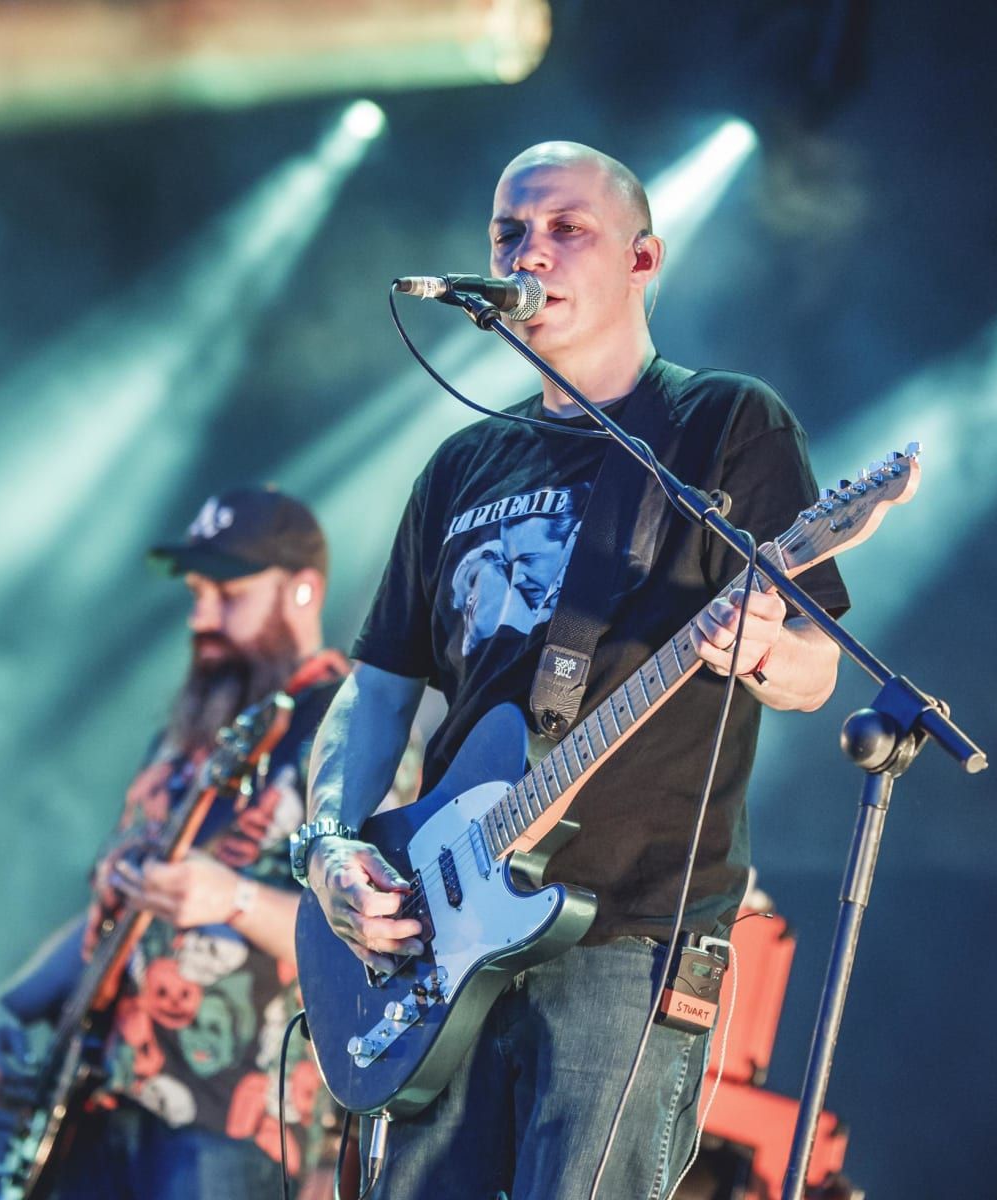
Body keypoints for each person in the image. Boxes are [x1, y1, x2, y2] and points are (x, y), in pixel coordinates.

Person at [299, 141, 851, 1199]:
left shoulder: (724, 424)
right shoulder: (462, 463)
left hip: (630, 930)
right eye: (509, 232)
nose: (529, 253)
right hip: (439, 928)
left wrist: (764, 651)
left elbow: (818, 665)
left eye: (566, 230)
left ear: (643, 260)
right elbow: (377, 694)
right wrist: (328, 846)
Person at [0, 487, 357, 1199]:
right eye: (196, 593)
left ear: (302, 590)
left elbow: (372, 930)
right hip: (98, 1097)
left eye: (228, 594)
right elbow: (117, 916)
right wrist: (10, 1002)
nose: (202, 616)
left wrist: (234, 897)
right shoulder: (186, 736)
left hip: (232, 1123)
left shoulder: (353, 730)